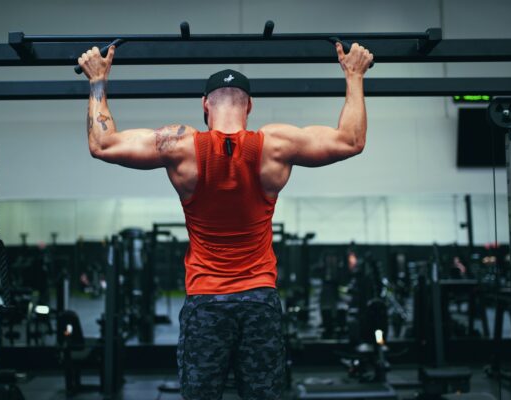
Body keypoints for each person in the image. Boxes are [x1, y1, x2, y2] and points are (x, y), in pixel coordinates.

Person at [78, 41, 373, 400]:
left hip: (206, 303)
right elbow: (351, 140)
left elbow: (102, 145)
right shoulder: (276, 144)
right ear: (249, 106)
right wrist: (354, 74)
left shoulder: (180, 144)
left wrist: (97, 80)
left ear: (205, 105)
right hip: (259, 301)